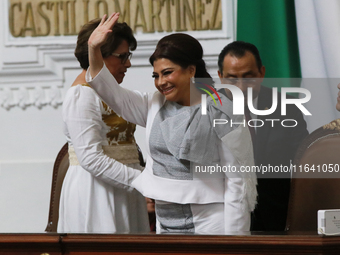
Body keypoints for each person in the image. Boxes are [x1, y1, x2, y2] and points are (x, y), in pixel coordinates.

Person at [85, 13, 257, 234]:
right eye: (156, 76)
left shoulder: (222, 109)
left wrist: (235, 240)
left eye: (167, 73)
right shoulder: (153, 104)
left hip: (211, 221)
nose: (161, 82)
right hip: (165, 221)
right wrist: (93, 49)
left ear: (191, 70)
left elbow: (237, 180)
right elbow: (109, 90)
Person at [57, 18, 149, 233]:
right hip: (96, 192)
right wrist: (143, 181)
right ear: (98, 54)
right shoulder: (82, 94)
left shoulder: (116, 94)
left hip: (124, 187)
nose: (128, 64)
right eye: (122, 56)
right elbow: (90, 158)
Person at [217, 41, 309, 231]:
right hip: (221, 218)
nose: (241, 87)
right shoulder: (208, 109)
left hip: (275, 217)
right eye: (232, 79)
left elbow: (303, 158)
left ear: (261, 73)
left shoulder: (287, 107)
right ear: (220, 77)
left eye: (248, 77)